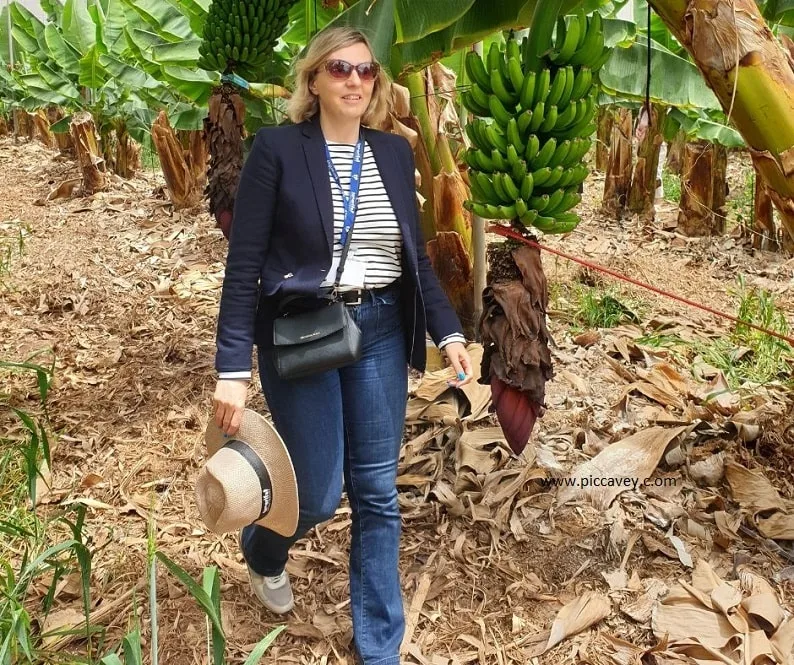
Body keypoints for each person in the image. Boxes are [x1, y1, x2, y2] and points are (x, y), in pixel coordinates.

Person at [211, 26, 473, 665]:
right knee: (320, 494)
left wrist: (450, 330)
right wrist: (231, 369)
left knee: (378, 491)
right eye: (339, 69)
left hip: (379, 325)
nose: (355, 80)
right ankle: (264, 549)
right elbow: (244, 266)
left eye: (366, 70)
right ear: (314, 80)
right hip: (300, 327)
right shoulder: (276, 150)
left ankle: (379, 645)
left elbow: (413, 259)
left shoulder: (391, 152)